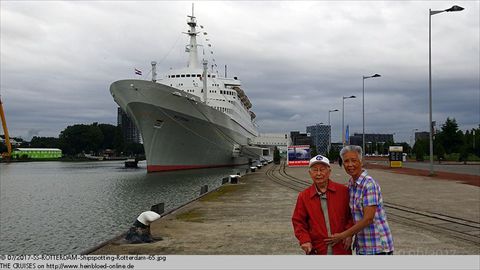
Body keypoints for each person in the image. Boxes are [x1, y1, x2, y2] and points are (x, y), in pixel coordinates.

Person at [325, 145, 394, 255]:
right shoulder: (351, 185)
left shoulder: (369, 184)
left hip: (377, 247)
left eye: (354, 160)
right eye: (346, 161)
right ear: (343, 164)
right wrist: (351, 235)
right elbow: (354, 216)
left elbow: (368, 219)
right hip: (363, 246)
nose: (350, 165)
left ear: (361, 162)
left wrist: (343, 235)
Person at [292, 154, 353, 255]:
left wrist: (349, 234)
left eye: (322, 169)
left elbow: (352, 215)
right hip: (317, 249)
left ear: (329, 172)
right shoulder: (304, 196)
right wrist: (305, 240)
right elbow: (298, 221)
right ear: (310, 173)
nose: (319, 173)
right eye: (315, 170)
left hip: (341, 247)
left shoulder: (343, 191)